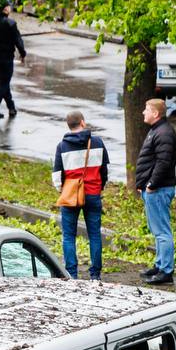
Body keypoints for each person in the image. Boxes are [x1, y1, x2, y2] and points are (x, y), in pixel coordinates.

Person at [51, 110, 108, 280]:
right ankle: (95, 275)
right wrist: (100, 187)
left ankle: (72, 274)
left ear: (69, 125)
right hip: (93, 194)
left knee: (69, 236)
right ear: (83, 122)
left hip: (71, 197)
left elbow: (57, 176)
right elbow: (104, 170)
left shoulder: (62, 146)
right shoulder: (97, 142)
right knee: (95, 235)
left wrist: (63, 190)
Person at [134, 98, 176, 285]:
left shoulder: (164, 133)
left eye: (146, 109)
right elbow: (152, 160)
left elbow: (163, 162)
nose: (143, 112)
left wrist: (151, 184)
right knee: (157, 230)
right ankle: (160, 265)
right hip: (154, 189)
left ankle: (166, 271)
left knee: (162, 231)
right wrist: (143, 183)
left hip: (158, 190)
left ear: (156, 113)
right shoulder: (157, 130)